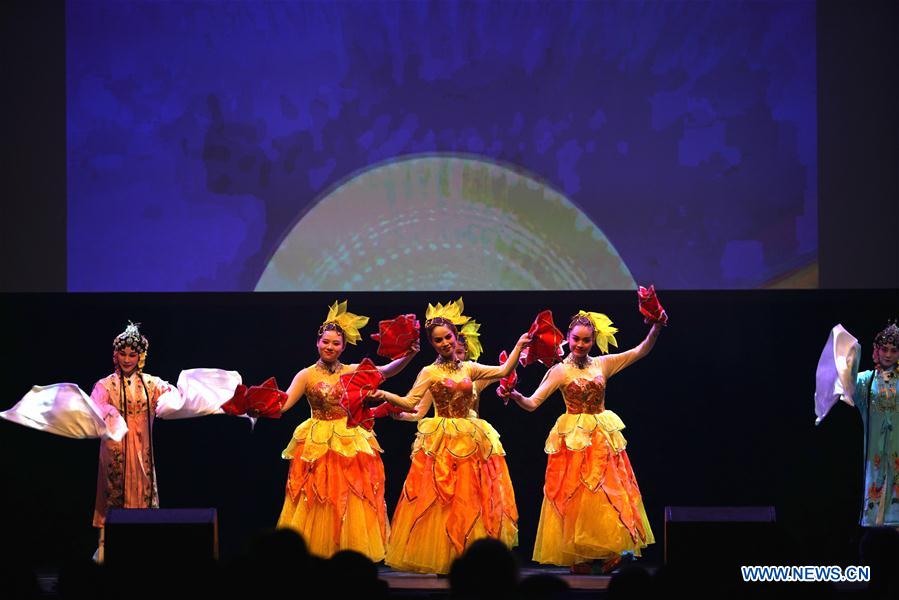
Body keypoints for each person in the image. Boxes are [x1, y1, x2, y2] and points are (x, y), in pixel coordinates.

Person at [1, 321, 243, 562]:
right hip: (114, 453)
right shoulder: (105, 385)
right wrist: (109, 413)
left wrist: (179, 402)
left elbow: (178, 399)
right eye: (123, 353)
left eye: (132, 354)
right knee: (112, 499)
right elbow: (95, 408)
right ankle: (107, 549)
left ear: (140, 356)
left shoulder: (151, 384)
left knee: (144, 496)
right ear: (115, 354)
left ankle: (144, 548)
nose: (127, 359)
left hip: (142, 455)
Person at [372, 298, 530, 574]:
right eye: (438, 340)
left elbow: (504, 371)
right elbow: (411, 403)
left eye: (448, 337)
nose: (444, 343)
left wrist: (518, 346)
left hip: (470, 438)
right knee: (442, 496)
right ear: (432, 344)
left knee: (471, 495)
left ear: (455, 336)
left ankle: (471, 555)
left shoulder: (469, 368)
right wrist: (385, 395)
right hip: (442, 439)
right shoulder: (429, 372)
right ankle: (445, 555)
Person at [501, 309, 663, 572]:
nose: (580, 345)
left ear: (593, 340)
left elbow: (640, 351)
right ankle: (580, 556)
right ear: (568, 337)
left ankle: (610, 552)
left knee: (607, 494)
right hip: (574, 441)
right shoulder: (560, 371)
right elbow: (532, 403)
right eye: (576, 339)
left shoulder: (602, 364)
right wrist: (515, 394)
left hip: (601, 437)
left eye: (586, 340)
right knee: (577, 496)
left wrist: (656, 326)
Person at [276, 300, 419, 560]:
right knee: (319, 496)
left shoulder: (353, 371)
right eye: (326, 342)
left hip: (350, 439)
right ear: (317, 343)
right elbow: (284, 404)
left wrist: (408, 355)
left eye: (336, 343)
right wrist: (256, 408)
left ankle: (349, 555)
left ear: (343, 346)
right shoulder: (306, 375)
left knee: (352, 496)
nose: (330, 347)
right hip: (318, 442)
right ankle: (317, 553)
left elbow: (385, 372)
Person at [830, 322, 899, 527]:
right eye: (884, 349)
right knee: (875, 481)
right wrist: (853, 353)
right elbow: (847, 383)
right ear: (877, 350)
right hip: (875, 451)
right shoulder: (866, 381)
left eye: (894, 350)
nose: (888, 354)